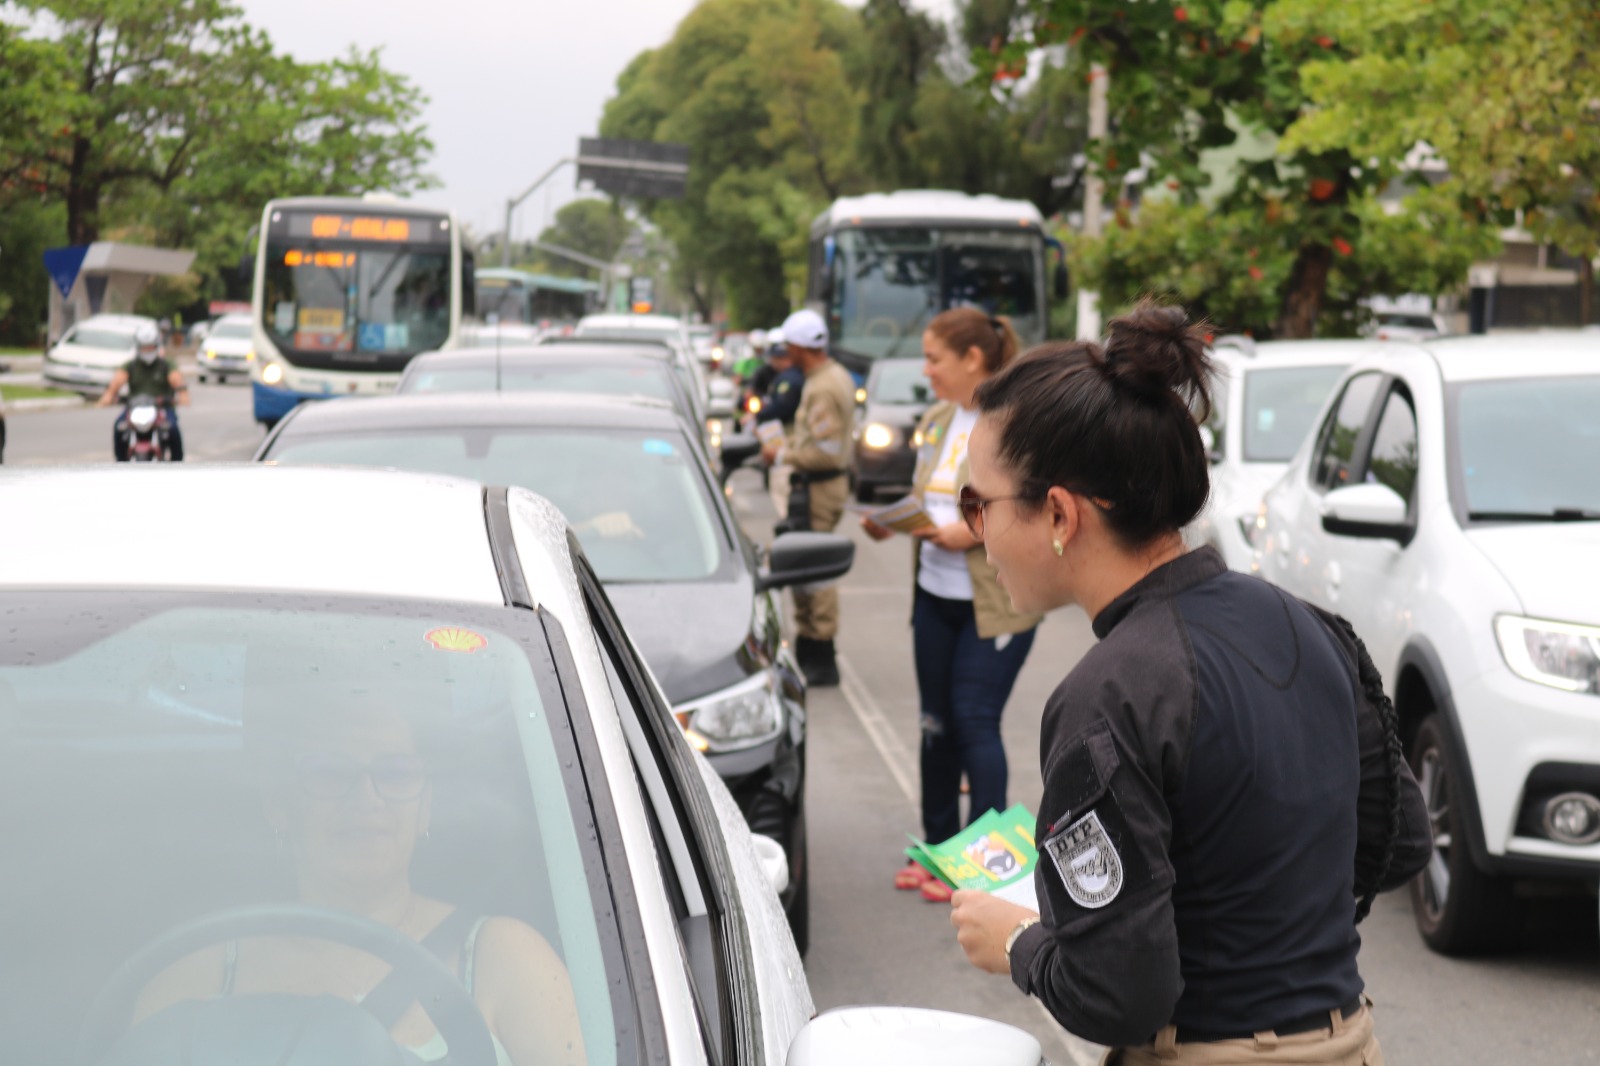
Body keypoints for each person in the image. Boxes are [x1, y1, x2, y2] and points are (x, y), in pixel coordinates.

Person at [946, 302, 1433, 1063]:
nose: (977, 534)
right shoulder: (1309, 624)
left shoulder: (1106, 694)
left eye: (979, 504)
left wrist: (1017, 940)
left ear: (1060, 514)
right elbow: (1400, 840)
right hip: (1351, 1041)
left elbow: (1118, 990)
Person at [134, 691, 587, 1066]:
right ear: (279, 803)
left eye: (394, 773)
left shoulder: (504, 960)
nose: (367, 797)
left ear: (424, 804)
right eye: (332, 772)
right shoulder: (198, 979)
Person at [862, 308, 1042, 903]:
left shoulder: (1015, 420)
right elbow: (927, 494)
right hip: (935, 593)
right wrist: (897, 522)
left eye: (935, 357)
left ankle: (984, 865)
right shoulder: (940, 419)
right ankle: (939, 851)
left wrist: (971, 533)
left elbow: (1032, 503)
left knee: (973, 721)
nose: (926, 369)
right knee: (934, 724)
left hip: (994, 603)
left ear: (972, 359)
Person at [760, 308, 854, 687]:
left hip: (820, 487)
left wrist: (781, 455)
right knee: (809, 567)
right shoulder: (828, 377)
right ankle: (814, 647)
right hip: (819, 485)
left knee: (815, 572)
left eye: (789, 346)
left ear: (800, 347)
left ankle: (820, 653)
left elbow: (826, 451)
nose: (787, 353)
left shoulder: (822, 386)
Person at [97, 323, 188, 461]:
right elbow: (117, 381)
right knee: (119, 427)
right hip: (135, 407)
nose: (147, 350)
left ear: (157, 346)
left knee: (172, 429)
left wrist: (182, 395)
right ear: (138, 347)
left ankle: (178, 462)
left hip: (162, 408)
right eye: (144, 347)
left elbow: (176, 380)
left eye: (150, 346)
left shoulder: (166, 365)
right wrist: (109, 395)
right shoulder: (131, 365)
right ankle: (121, 462)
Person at [755, 343, 804, 518]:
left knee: (781, 484)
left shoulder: (789, 379)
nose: (773, 362)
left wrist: (760, 415)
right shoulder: (793, 376)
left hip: (786, 436)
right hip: (790, 438)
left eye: (777, 358)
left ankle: (787, 524)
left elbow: (782, 406)